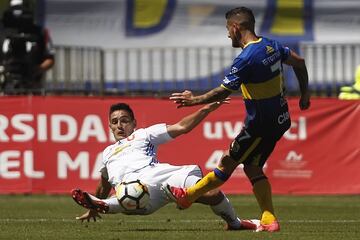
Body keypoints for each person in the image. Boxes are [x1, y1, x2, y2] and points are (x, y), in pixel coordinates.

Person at [164, 6, 311, 232]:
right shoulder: (271, 45)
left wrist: (194, 100)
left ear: (236, 27)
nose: (227, 35)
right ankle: (269, 219)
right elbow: (299, 63)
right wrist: (305, 95)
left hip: (259, 126)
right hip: (280, 120)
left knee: (227, 163)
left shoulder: (246, 59)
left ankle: (188, 196)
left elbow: (222, 92)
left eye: (227, 29)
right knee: (253, 167)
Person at [72, 102, 259, 231]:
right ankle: (102, 203)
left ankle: (234, 224)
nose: (120, 125)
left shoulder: (143, 135)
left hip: (159, 175)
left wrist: (205, 110)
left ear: (134, 123)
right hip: (136, 191)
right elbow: (104, 184)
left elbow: (181, 127)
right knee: (127, 195)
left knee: (213, 194)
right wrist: (93, 208)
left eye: (125, 120)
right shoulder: (107, 153)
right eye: (115, 122)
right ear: (110, 127)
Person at [0, 0, 54, 94]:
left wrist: (36, 70)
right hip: (5, 86)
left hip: (32, 87)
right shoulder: (2, 31)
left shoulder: (39, 32)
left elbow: (50, 57)